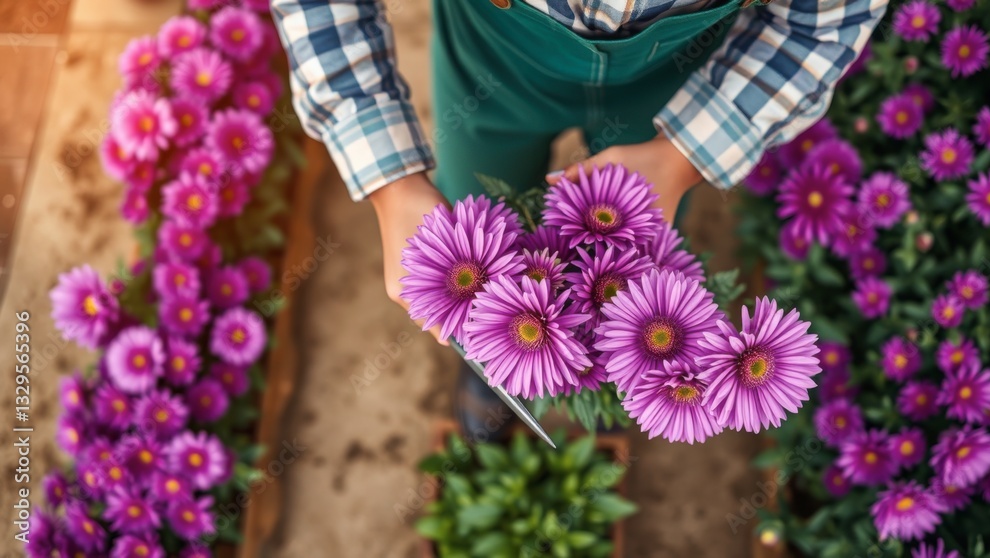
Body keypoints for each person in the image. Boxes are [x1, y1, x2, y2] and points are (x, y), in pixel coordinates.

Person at [270, 0, 887, 438]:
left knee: (650, 242)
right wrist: (392, 184)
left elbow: (825, 19)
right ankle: (494, 359)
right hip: (493, 58)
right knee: (471, 195)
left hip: (674, 76)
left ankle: (614, 350)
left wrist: (682, 156)